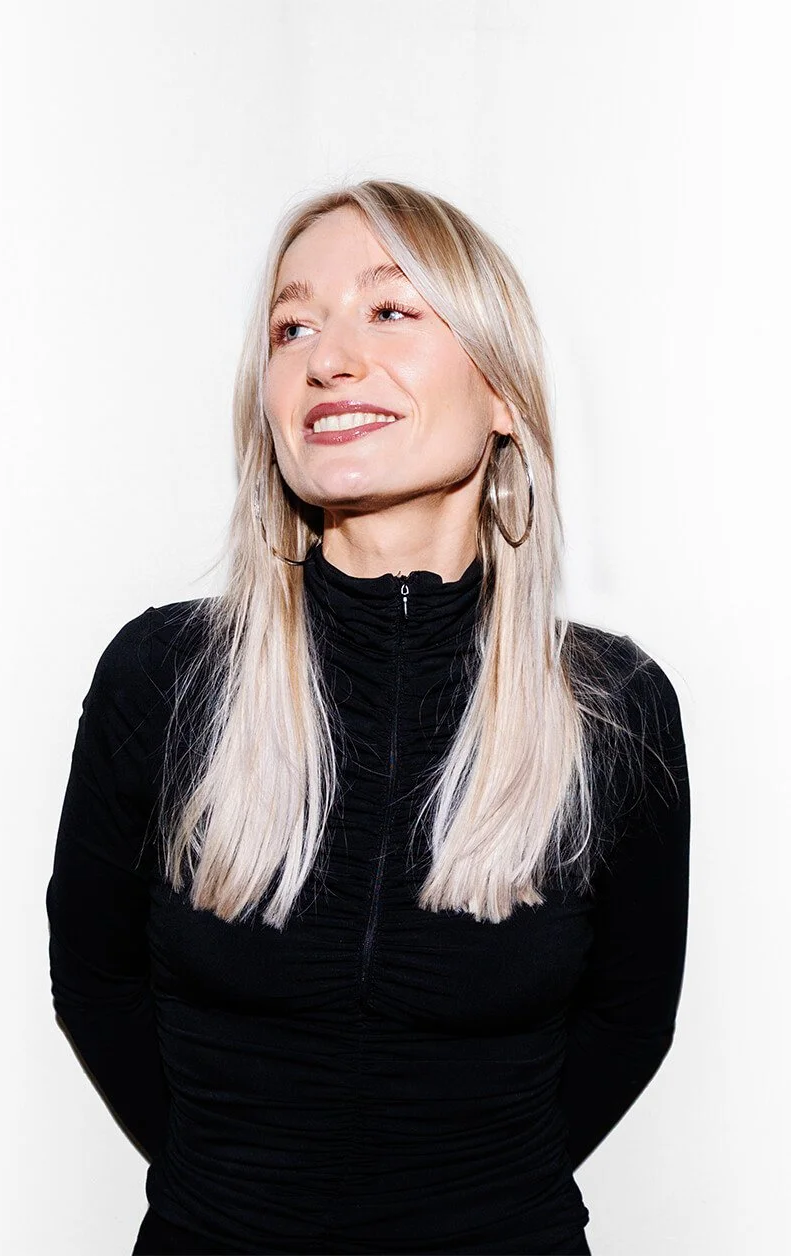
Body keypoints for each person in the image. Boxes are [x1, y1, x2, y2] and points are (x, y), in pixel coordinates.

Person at [46, 179, 690, 1256]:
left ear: (502, 392)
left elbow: (629, 1019)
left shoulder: (612, 706)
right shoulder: (163, 675)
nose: (327, 358)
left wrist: (464, 1212)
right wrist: (242, 1202)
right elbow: (94, 980)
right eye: (292, 327)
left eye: (390, 308)